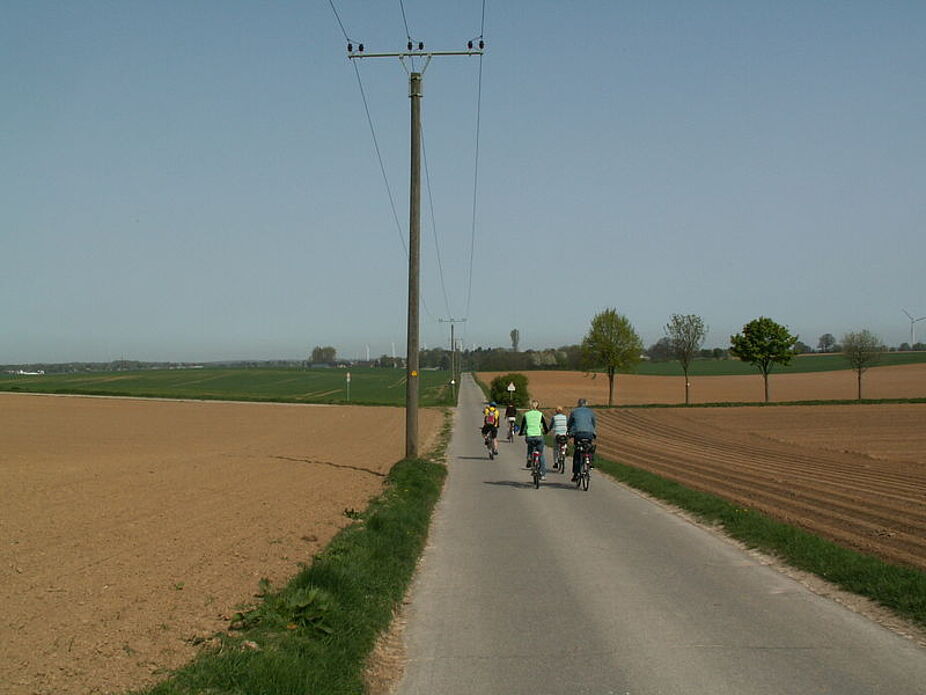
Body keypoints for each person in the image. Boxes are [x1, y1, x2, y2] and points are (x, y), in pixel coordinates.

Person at [567, 398, 597, 481]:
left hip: (578, 434)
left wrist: (569, 431)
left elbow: (569, 423)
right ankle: (590, 462)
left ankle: (576, 474)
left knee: (577, 452)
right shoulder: (591, 412)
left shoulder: (574, 411)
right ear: (586, 404)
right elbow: (594, 423)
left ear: (578, 404)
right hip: (589, 434)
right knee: (588, 448)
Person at [518, 400, 549, 479]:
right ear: (538, 407)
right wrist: (546, 431)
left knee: (530, 446)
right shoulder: (540, 414)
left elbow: (522, 426)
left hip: (529, 436)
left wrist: (520, 433)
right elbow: (544, 426)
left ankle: (529, 458)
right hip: (539, 436)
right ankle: (542, 473)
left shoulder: (526, 414)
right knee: (541, 454)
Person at [549, 405, 569, 470]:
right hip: (564, 434)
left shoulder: (554, 417)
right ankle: (565, 449)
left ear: (556, 411)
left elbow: (551, 426)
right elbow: (568, 424)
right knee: (564, 443)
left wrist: (548, 430)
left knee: (555, 449)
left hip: (557, 435)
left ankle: (556, 462)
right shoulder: (565, 417)